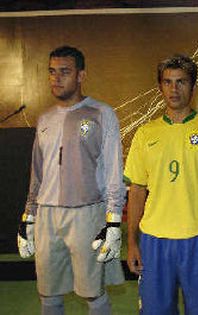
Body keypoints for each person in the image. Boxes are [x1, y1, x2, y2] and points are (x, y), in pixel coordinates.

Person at [124, 54, 198, 315]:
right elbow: (137, 191)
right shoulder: (145, 134)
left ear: (193, 87)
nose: (174, 89)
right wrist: (132, 241)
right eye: (167, 82)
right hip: (154, 241)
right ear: (160, 87)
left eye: (181, 82)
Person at [17, 45, 125, 315]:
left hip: (87, 214)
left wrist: (113, 221)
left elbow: (114, 170)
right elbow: (37, 173)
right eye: (52, 72)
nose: (56, 78)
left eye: (64, 72)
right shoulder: (45, 119)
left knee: (93, 294)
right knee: (48, 293)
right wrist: (28, 216)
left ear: (80, 75)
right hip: (46, 217)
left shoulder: (101, 113)